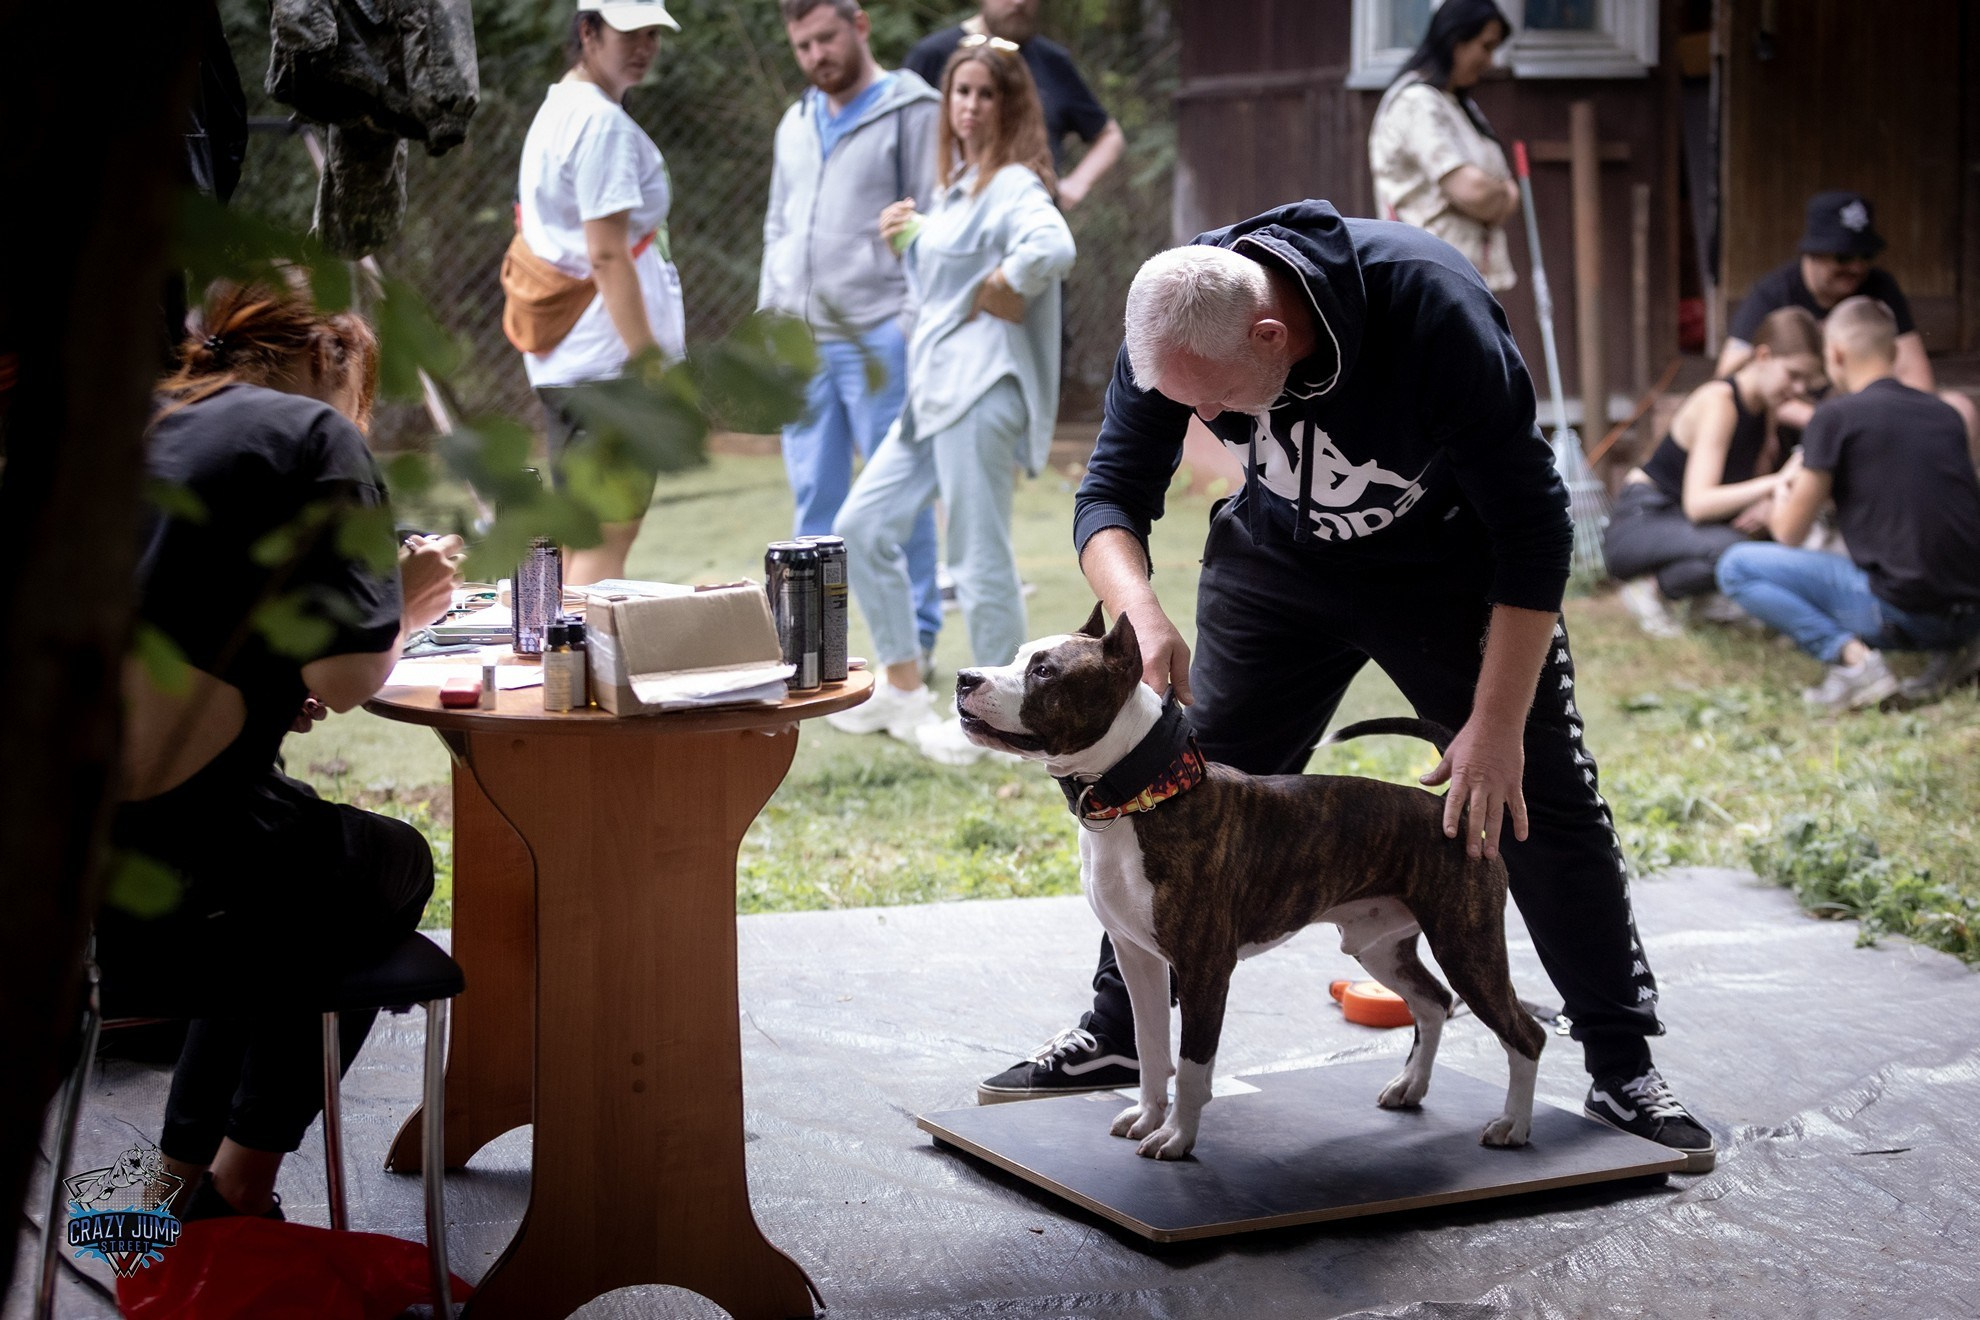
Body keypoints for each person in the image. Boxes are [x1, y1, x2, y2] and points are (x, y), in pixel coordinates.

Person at [975, 202, 1720, 1173]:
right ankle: (1122, 1029)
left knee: (1532, 796)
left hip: (1450, 575)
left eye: (1219, 402)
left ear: (1271, 335)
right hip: (1280, 562)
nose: (1204, 422)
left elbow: (1539, 535)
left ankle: (1621, 1060)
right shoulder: (1176, 316)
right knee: (1190, 797)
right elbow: (1110, 490)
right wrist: (1141, 612)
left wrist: (1495, 726)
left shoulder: (1431, 310)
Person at [100, 283, 462, 1219]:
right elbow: (349, 679)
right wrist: (408, 605)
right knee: (380, 868)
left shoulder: (134, 421)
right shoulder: (312, 434)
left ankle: (173, 1184)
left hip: (61, 874)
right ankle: (240, 1180)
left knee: (281, 888)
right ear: (334, 375)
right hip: (192, 873)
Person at [829, 39, 1075, 764]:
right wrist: (909, 237)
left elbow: (1052, 246)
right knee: (861, 524)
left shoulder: (1013, 186)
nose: (969, 106)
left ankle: (998, 726)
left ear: (1009, 104)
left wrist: (1002, 285)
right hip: (932, 393)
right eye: (960, 92)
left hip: (981, 389)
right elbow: (943, 273)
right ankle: (902, 683)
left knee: (978, 556)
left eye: (985, 94)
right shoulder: (960, 185)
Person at [762, 0, 944, 670]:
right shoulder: (794, 120)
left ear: (859, 26)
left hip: (880, 336)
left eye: (826, 39)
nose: (815, 57)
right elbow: (778, 225)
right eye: (802, 46)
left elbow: (934, 217)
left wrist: (909, 326)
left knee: (897, 496)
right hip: (803, 338)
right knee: (814, 494)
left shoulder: (913, 110)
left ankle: (917, 643)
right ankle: (809, 645)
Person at [1717, 297, 1980, 712]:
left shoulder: (1835, 417)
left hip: (1904, 613)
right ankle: (1959, 651)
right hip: (1970, 612)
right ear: (1894, 352)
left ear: (1835, 354)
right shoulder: (1945, 413)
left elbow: (1789, 533)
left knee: (1737, 567)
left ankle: (1856, 665)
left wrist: (1785, 486)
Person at [515, 0, 687, 584]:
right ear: (588, 32)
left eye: (652, 35)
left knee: (578, 543)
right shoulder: (601, 123)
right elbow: (607, 252)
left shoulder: (560, 106)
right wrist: (650, 365)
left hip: (572, 362)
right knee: (605, 547)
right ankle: (576, 677)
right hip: (611, 369)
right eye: (628, 33)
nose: (644, 47)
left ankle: (555, 675)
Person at [1604, 306, 1826, 637]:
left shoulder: (1764, 407)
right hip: (1643, 519)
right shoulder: (1719, 401)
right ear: (1763, 356)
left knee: (1766, 541)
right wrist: (1776, 482)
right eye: (1793, 375)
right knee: (1736, 550)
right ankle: (1649, 590)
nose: (1798, 388)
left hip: (1686, 524)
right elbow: (1700, 503)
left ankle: (1704, 601)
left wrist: (1766, 502)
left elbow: (1752, 487)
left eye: (1807, 381)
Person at [1716, 190, 1978, 458]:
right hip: (1795, 424)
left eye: (1865, 256)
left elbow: (1917, 376)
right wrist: (1822, 420)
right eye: (1842, 257)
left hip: (1870, 417)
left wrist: (1892, 420)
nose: (1856, 267)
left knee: (1959, 409)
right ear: (1812, 253)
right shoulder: (1772, 293)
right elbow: (1729, 379)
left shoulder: (1881, 287)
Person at [902, 0, 1124, 210]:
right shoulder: (932, 56)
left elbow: (1108, 135)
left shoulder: (1052, 62)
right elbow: (898, 138)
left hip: (1028, 216)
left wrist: (1076, 184)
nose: (1019, 2)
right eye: (963, 91)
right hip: (946, 217)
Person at [1367, 0, 1520, 293]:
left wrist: (1494, 196)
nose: (1490, 61)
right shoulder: (1417, 102)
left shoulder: (1460, 107)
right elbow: (1473, 191)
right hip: (1427, 283)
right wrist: (1500, 193)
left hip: (1461, 282)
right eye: (1486, 46)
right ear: (1456, 40)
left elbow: (1492, 195)